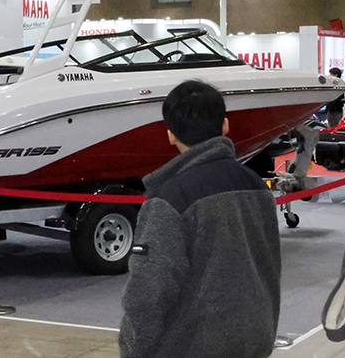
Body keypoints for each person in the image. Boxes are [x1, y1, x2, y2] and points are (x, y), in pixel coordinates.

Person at [119, 80, 280, 358]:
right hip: (255, 340)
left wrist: (133, 350)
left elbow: (148, 291)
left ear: (170, 134)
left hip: (191, 347)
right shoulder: (255, 185)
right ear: (225, 125)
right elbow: (269, 264)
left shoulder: (169, 199)